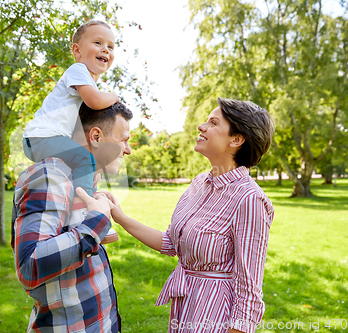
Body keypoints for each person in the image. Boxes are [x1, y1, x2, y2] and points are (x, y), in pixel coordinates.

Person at [79, 98, 275, 333]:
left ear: (237, 139)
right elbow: (172, 243)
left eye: (213, 123)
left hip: (216, 319)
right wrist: (119, 216)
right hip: (184, 310)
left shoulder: (249, 199)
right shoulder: (200, 183)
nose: (201, 126)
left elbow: (249, 293)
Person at [11, 101, 132, 333]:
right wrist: (96, 223)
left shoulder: (83, 182)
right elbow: (30, 265)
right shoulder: (52, 176)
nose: (128, 150)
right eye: (123, 140)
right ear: (95, 136)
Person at [23, 19, 119, 243]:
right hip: (40, 136)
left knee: (81, 165)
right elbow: (95, 101)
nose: (105, 49)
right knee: (84, 159)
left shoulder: (85, 81)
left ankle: (69, 218)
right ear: (77, 50)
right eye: (97, 42)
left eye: (111, 46)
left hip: (45, 138)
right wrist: (114, 96)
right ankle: (86, 216)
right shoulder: (78, 71)